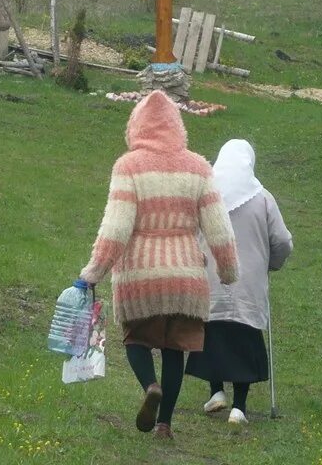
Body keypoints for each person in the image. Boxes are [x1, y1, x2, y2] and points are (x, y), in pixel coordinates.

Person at [80, 91, 239, 439]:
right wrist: (228, 270)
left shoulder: (129, 166)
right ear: (177, 126)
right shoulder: (198, 167)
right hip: (186, 278)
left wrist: (94, 271)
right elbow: (219, 227)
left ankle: (150, 386)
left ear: (135, 126)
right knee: (174, 349)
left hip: (140, 275)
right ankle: (165, 424)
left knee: (136, 339)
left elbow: (116, 226)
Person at [187, 140, 292, 427]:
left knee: (212, 331)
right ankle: (239, 407)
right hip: (248, 280)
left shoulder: (205, 194)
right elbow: (282, 241)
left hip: (211, 276)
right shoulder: (263, 198)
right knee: (244, 337)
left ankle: (216, 390)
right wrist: (271, 263)